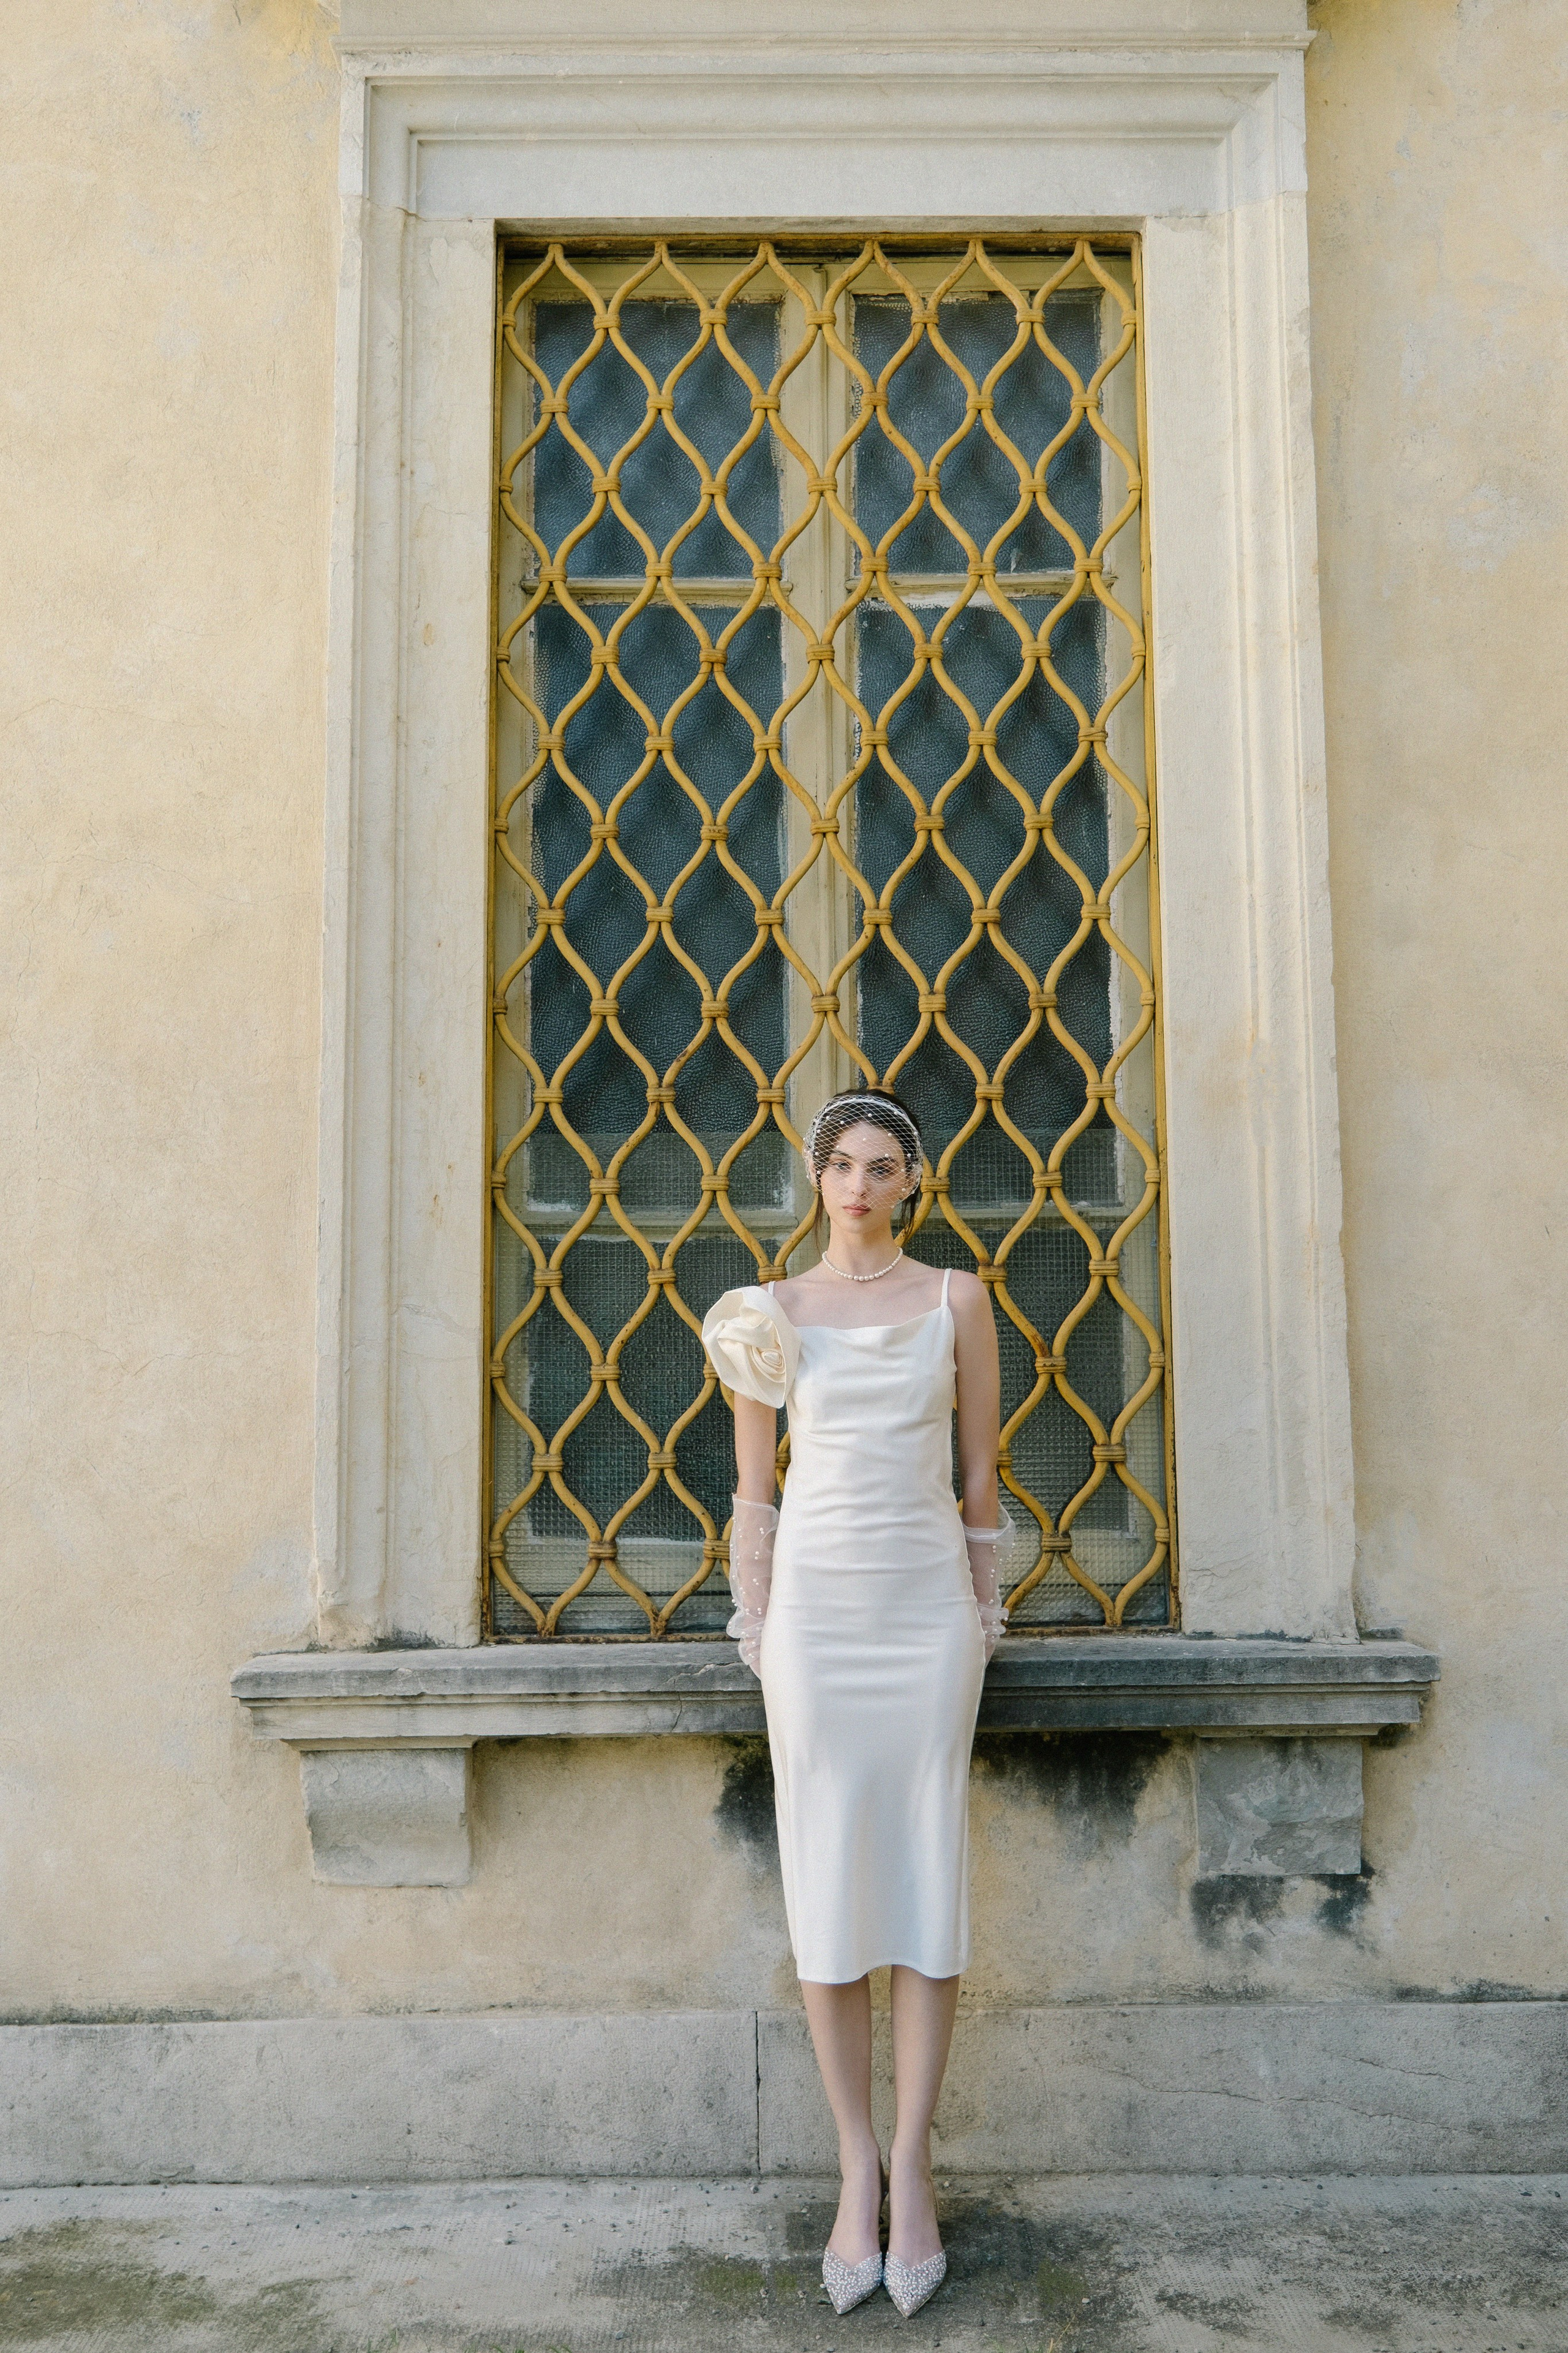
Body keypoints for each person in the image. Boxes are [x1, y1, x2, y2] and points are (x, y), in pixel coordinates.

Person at [701, 1088, 1011, 2319]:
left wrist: (985, 1610)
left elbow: (980, 1466)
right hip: (817, 1624)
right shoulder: (764, 1313)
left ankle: (916, 2166)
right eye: (841, 1164)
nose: (859, 1184)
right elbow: (753, 1488)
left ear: (910, 1182)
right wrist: (756, 1620)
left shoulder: (957, 1300)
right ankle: (851, 2168)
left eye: (882, 1165)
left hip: (928, 1619)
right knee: (825, 1878)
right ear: (817, 1178)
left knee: (925, 1878)